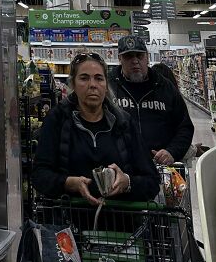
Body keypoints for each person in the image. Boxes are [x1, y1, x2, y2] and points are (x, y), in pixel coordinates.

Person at [33, 51, 160, 205]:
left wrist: (127, 182)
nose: (92, 84)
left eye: (99, 78)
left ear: (106, 85)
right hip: (70, 220)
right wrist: (68, 183)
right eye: (84, 78)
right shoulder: (57, 120)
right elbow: (39, 176)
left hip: (122, 223)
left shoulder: (123, 123)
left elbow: (152, 181)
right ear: (73, 84)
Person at [109, 37, 193, 165]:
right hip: (121, 167)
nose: (135, 61)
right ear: (120, 59)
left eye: (139, 55)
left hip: (159, 166)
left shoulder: (164, 87)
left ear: (147, 57)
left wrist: (172, 151)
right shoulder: (108, 86)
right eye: (128, 56)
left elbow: (184, 126)